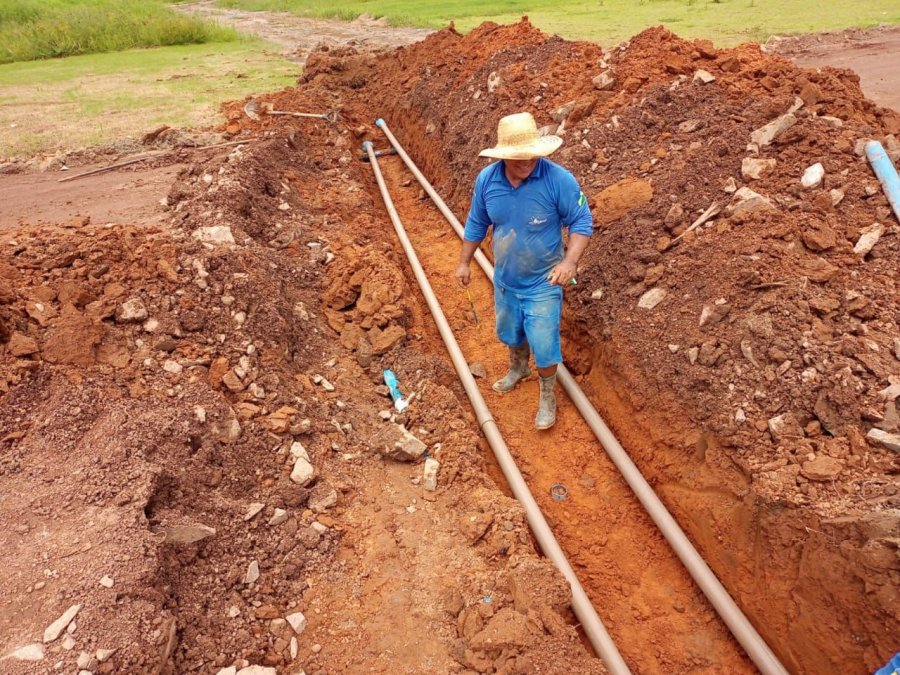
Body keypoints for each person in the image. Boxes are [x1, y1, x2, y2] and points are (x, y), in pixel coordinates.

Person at [455, 112, 593, 429]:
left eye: (531, 156)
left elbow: (582, 222)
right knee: (510, 332)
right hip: (505, 279)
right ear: (504, 157)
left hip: (543, 282)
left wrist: (569, 262)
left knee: (544, 345)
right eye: (519, 159)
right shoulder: (487, 181)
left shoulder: (559, 180)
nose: (527, 163)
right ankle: (518, 368)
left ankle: (547, 396)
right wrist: (464, 262)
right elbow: (477, 223)